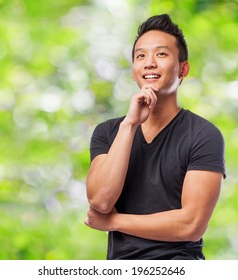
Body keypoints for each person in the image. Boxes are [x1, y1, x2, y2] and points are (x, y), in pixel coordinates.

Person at [85, 14, 226, 260]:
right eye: (141, 56)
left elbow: (191, 224)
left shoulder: (204, 135)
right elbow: (101, 201)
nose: (149, 63)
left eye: (161, 54)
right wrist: (129, 125)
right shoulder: (108, 132)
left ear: (183, 68)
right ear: (133, 71)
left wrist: (115, 222)